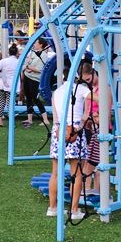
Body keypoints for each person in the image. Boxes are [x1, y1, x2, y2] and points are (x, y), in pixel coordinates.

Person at [48, 57, 98, 223]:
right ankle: (74, 210)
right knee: (76, 173)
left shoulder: (57, 92)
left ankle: (52, 208)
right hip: (75, 131)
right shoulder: (81, 89)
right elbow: (99, 99)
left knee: (55, 172)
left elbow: (55, 117)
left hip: (59, 130)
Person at [0, 45, 20, 128]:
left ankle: (0, 122)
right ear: (16, 53)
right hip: (12, 86)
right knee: (10, 105)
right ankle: (11, 123)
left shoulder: (3, 61)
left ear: (9, 52)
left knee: (1, 103)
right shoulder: (18, 62)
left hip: (0, 84)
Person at [20, 40, 47, 127]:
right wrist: (28, 67)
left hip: (35, 79)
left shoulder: (44, 55)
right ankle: (30, 119)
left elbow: (40, 69)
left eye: (36, 43)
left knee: (35, 98)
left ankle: (45, 119)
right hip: (28, 76)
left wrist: (29, 67)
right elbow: (28, 63)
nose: (34, 44)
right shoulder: (33, 53)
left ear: (41, 45)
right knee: (28, 98)